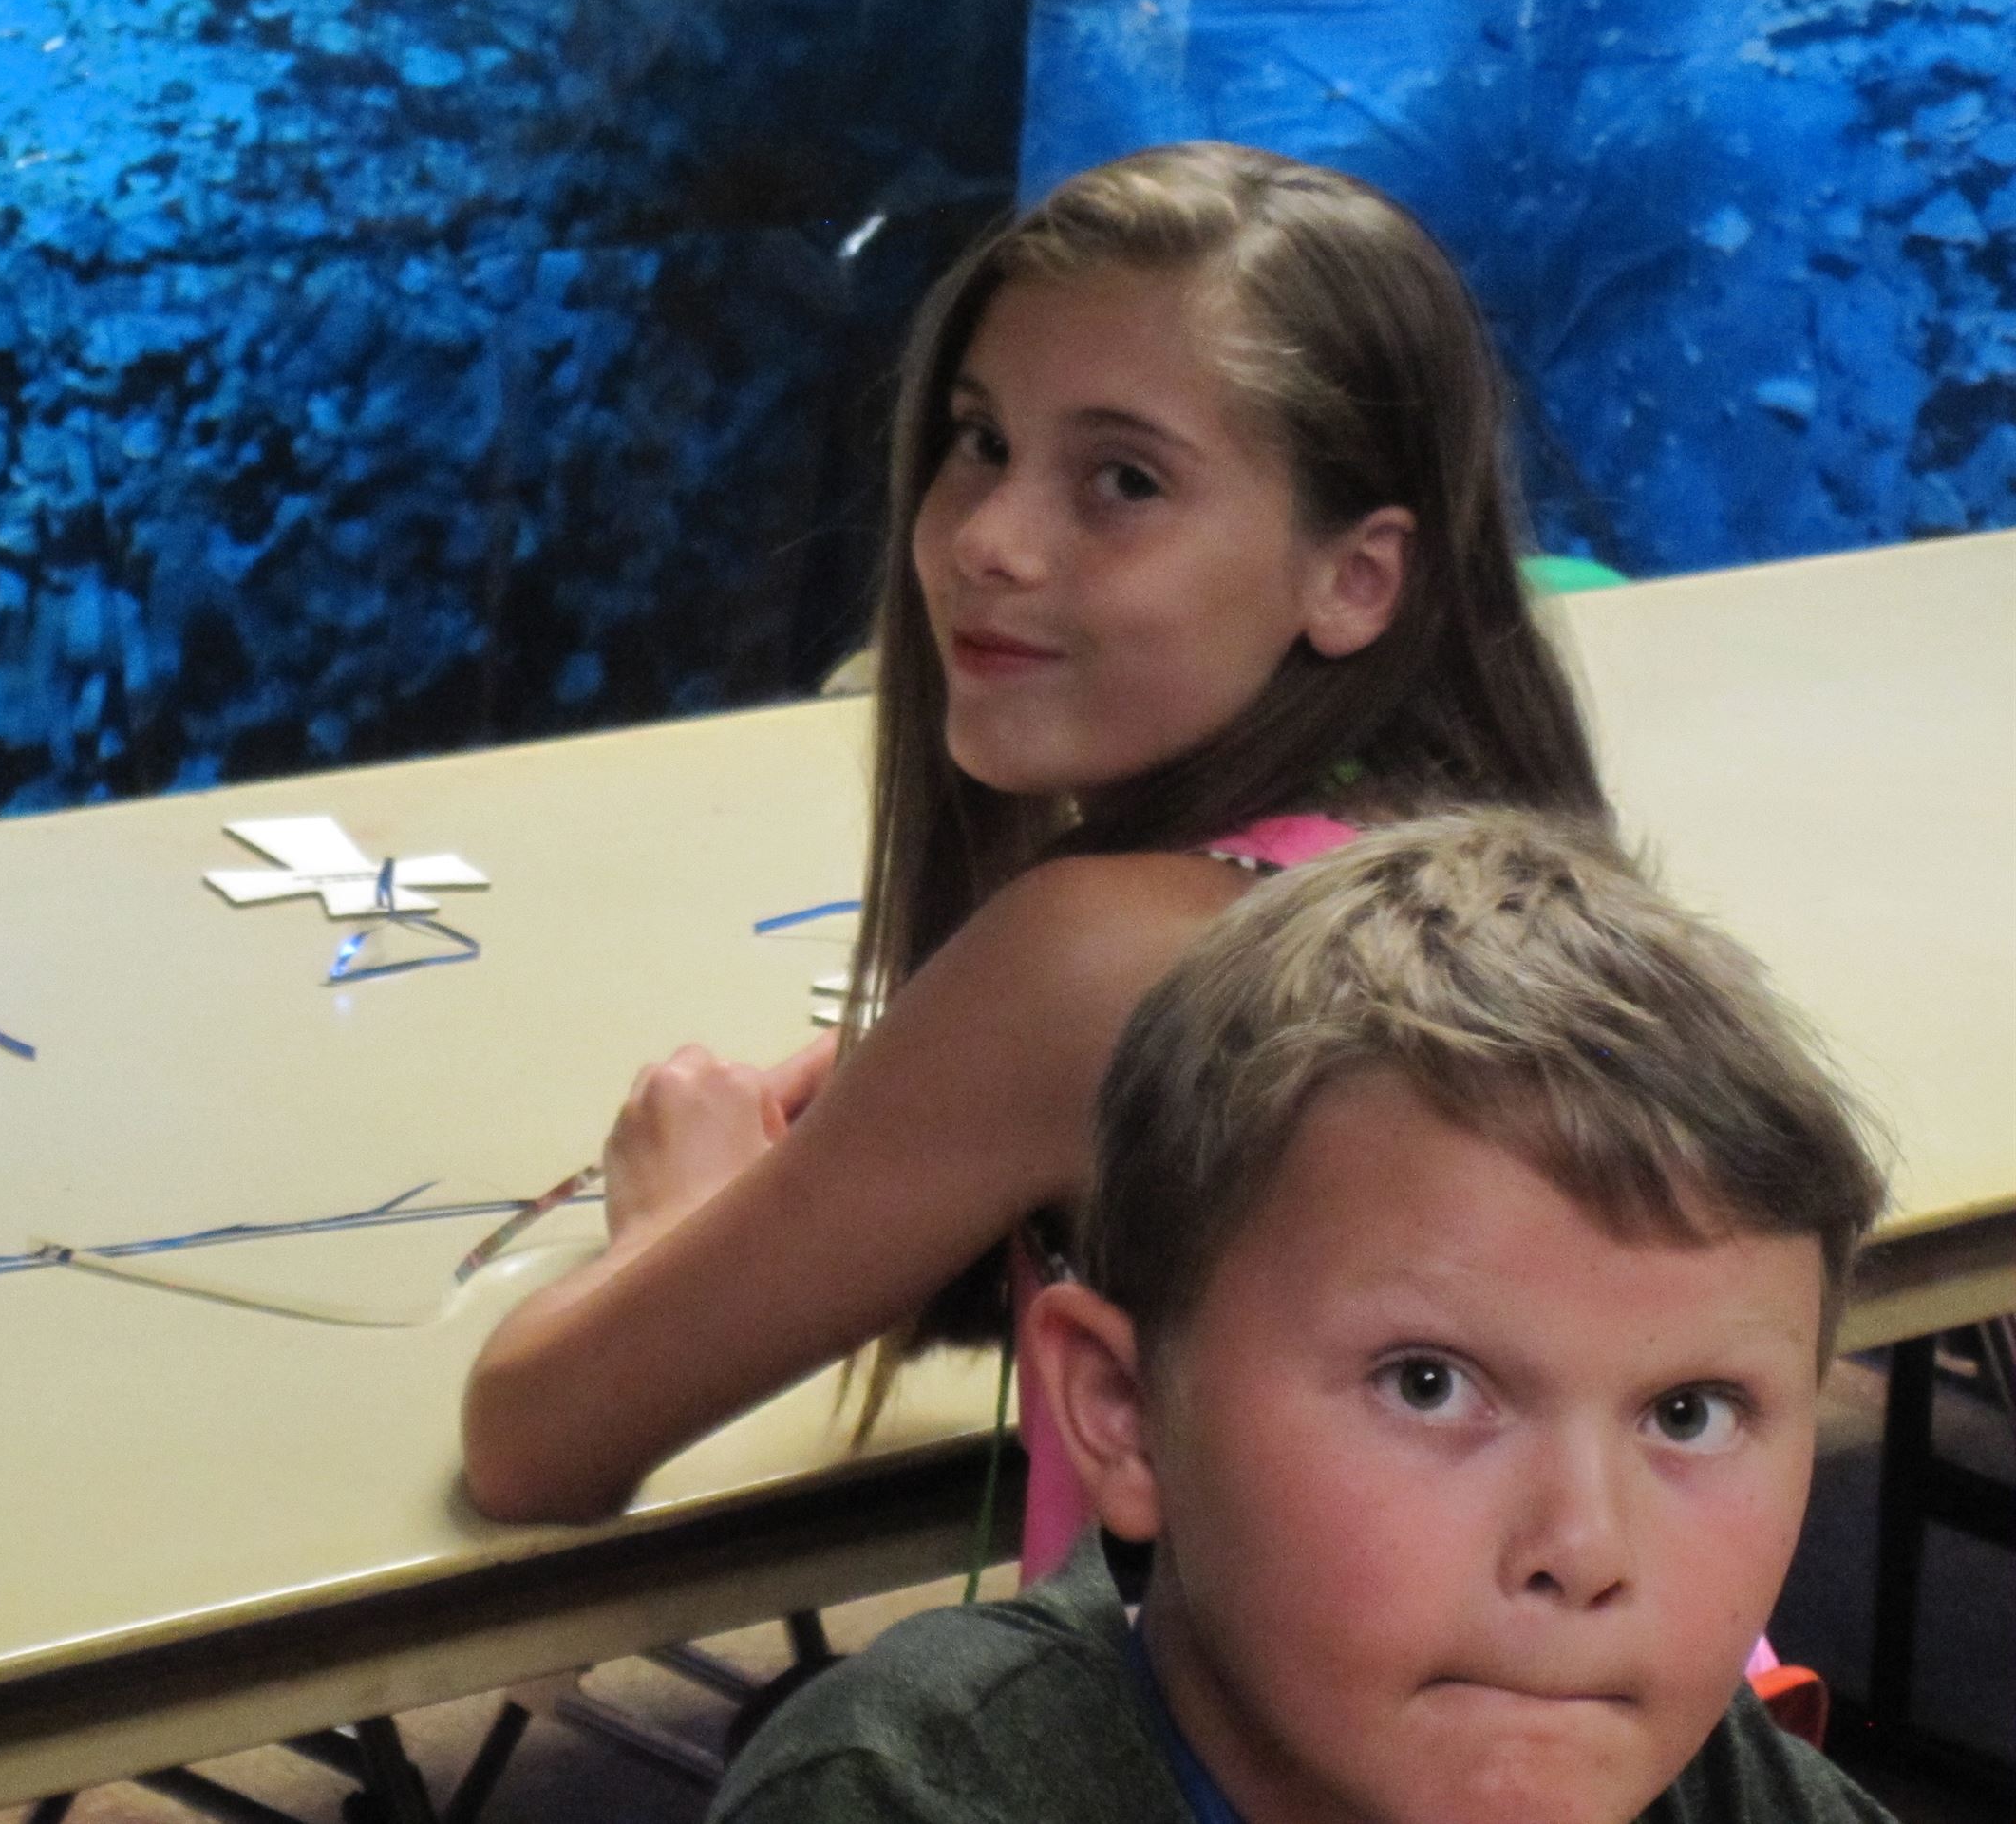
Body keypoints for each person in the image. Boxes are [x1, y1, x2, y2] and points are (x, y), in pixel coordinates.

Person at [461, 141, 1604, 1532]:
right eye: (981, 441)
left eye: (1123, 481)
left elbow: (532, 1439)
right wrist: (928, 1097)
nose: (987, 538)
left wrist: (679, 1215)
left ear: (1356, 577)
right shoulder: (1466, 847)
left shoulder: (1093, 966)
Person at [711, 809, 1893, 1824]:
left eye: (1689, 1414)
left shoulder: (1736, 1794)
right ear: (1124, 1409)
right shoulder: (898, 1798)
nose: (1580, 1552)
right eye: (1427, 1384)